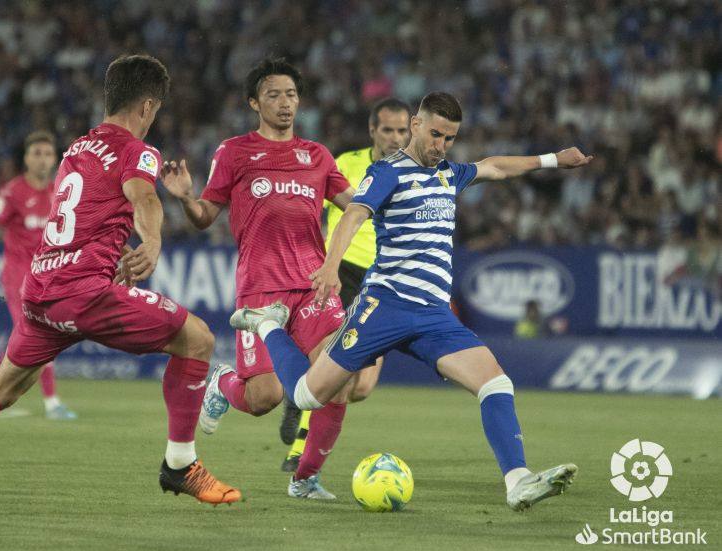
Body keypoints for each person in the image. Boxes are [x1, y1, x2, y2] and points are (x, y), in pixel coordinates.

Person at [0, 54, 240, 517]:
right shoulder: (140, 152)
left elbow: (87, 215)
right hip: (82, 290)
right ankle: (181, 464)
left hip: (41, 290)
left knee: (3, 389)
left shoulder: (78, 148)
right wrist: (151, 242)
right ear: (148, 106)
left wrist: (109, 250)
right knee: (198, 339)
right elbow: (144, 196)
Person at [230, 92, 591, 511]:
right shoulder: (387, 172)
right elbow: (354, 214)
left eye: (450, 138)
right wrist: (330, 266)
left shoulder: (449, 174)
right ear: (416, 125)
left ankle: (517, 481)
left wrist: (552, 160)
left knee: (496, 383)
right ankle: (269, 322)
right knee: (307, 395)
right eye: (435, 133)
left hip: (434, 316)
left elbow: (495, 166)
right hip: (384, 307)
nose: (440, 145)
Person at [161, 58, 354, 500]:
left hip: (313, 285)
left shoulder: (317, 156)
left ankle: (304, 479)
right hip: (261, 291)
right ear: (254, 102)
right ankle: (223, 382)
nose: (285, 104)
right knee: (264, 398)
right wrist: (186, 198)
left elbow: (356, 207)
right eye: (273, 95)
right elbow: (204, 217)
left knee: (338, 375)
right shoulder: (233, 152)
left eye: (291, 95)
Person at [279, 98, 412, 472]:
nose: (395, 137)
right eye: (388, 129)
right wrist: (317, 261)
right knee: (334, 364)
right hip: (345, 271)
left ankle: (299, 392)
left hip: (385, 278)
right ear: (373, 130)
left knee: (361, 387)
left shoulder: (417, 173)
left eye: (402, 130)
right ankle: (299, 452)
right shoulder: (346, 164)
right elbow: (309, 209)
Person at [0, 131, 77, 420]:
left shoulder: (61, 191)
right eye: (37, 153)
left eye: (47, 154)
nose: (43, 159)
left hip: (49, 277)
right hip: (18, 277)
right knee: (38, 333)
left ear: (55, 158)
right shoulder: (12, 192)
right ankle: (52, 402)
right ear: (26, 158)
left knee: (23, 338)